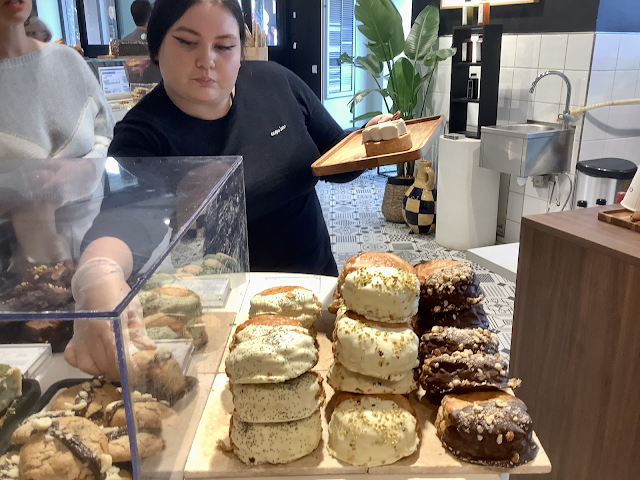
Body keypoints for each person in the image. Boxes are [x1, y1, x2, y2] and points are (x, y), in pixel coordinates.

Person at [108, 0, 393, 277]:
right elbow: (124, 223)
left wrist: (369, 137)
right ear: (156, 48)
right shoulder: (141, 134)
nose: (207, 60)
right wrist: (101, 271)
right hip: (229, 303)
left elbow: (333, 154)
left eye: (224, 46)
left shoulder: (276, 83)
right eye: (187, 42)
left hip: (316, 279)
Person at [0, 0, 154, 379]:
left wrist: (78, 172)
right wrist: (25, 189)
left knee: (116, 370)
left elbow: (104, 138)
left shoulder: (67, 63)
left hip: (99, 249)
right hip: (14, 278)